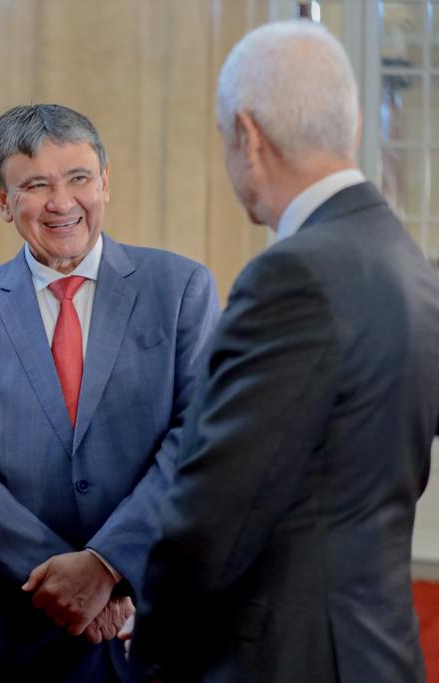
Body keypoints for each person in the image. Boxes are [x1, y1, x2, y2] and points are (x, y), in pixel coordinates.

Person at [126, 21, 439, 682]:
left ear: (248, 134)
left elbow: (215, 511)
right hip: (379, 648)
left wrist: (152, 648)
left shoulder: (292, 275)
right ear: (353, 127)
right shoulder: (408, 262)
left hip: (285, 656)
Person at [0, 103, 220, 681]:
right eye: (35, 185)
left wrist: (108, 564)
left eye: (78, 178)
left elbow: (199, 439)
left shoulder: (181, 290)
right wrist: (63, 579)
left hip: (153, 629)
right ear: (2, 200)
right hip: (16, 638)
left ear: (105, 181)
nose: (61, 202)